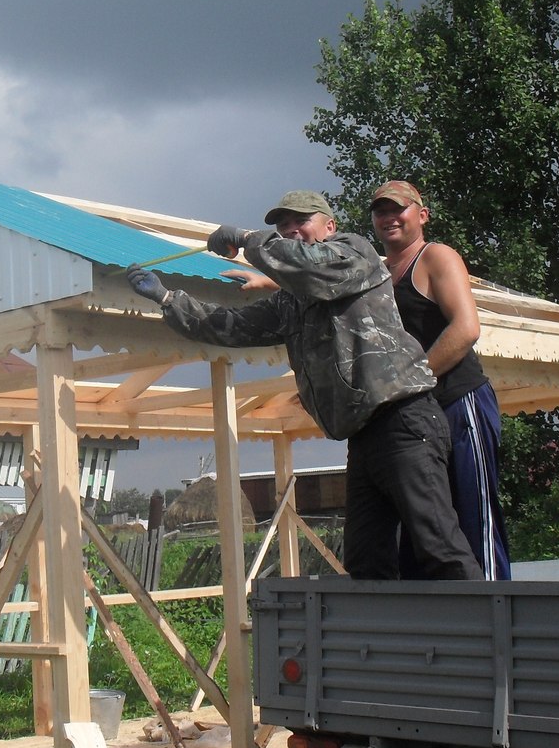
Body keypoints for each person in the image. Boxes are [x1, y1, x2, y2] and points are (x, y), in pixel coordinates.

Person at [127, 190, 481, 581]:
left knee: (438, 546)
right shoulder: (291, 301)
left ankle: (485, 619)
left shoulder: (354, 253)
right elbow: (231, 326)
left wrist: (246, 239)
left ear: (330, 226)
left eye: (301, 220)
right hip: (363, 433)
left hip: (404, 420)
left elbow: (306, 266)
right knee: (366, 563)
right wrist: (167, 298)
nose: (291, 229)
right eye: (283, 225)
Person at [370, 180, 511, 580]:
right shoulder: (378, 274)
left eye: (398, 209)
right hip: (417, 417)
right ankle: (434, 613)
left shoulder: (435, 257)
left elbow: (466, 329)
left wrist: (411, 381)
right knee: (425, 521)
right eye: (380, 211)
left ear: (422, 215)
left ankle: (494, 602)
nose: (389, 217)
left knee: (474, 513)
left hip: (458, 402)